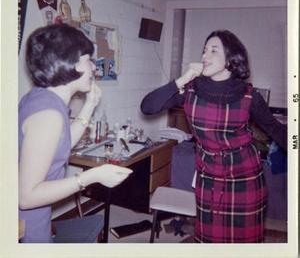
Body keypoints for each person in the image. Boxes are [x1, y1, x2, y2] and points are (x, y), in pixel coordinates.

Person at [141, 30, 287, 243]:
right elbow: (148, 106)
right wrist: (183, 78)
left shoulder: (250, 96)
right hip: (208, 178)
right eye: (204, 51)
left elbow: (275, 129)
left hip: (246, 179)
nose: (204, 56)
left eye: (213, 50)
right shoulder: (190, 90)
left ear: (230, 59)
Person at [19, 24, 132, 243]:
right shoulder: (49, 115)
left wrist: (90, 104)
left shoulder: (41, 98)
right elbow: (26, 196)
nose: (94, 67)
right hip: (28, 224)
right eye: (89, 59)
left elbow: (61, 145)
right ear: (70, 63)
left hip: (36, 215)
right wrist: (92, 176)